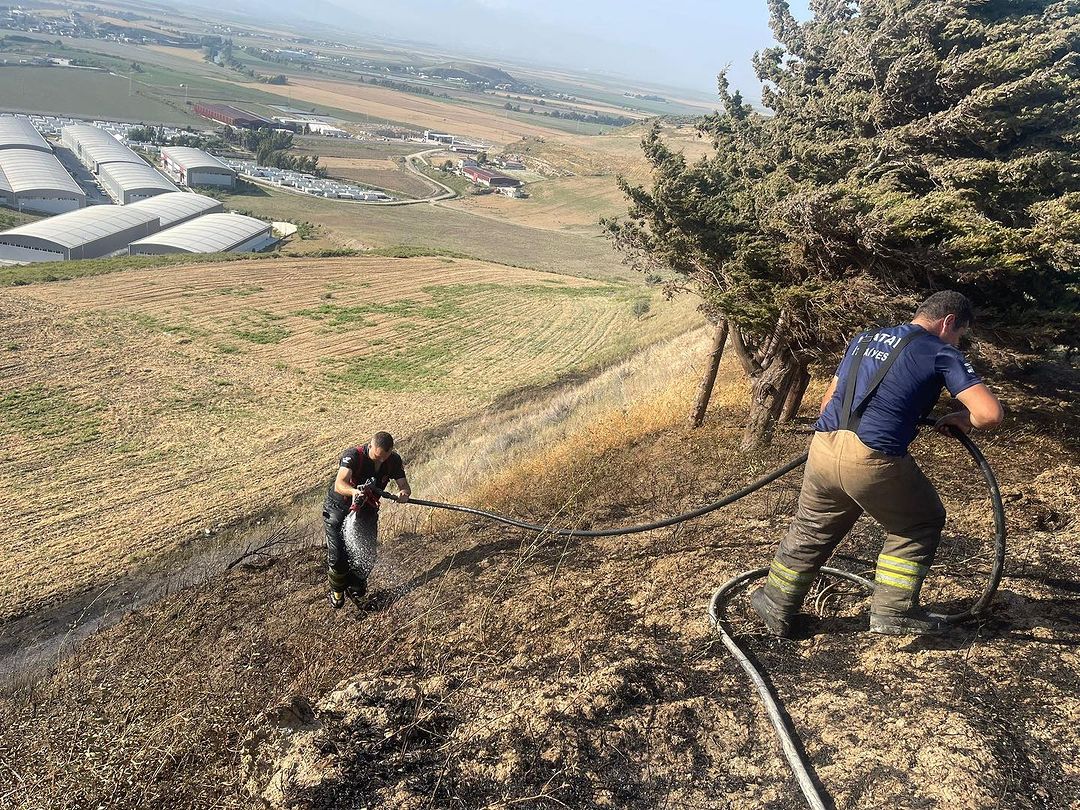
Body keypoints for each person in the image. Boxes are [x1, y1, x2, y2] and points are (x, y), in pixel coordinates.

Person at [751, 291, 1004, 637]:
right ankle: (894, 610)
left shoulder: (863, 338)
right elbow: (990, 414)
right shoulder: (941, 351)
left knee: (811, 528)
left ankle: (776, 603)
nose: (959, 341)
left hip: (823, 448)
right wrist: (963, 418)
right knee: (920, 521)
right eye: (960, 334)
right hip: (871, 458)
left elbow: (828, 402)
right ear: (947, 323)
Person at [323, 432, 410, 609]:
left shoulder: (393, 460)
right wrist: (354, 492)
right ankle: (337, 590)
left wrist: (404, 494)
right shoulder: (353, 456)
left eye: (383, 459)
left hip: (367, 511)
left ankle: (357, 591)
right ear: (370, 446)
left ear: (390, 452)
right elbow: (340, 483)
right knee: (339, 557)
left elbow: (404, 485)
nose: (379, 462)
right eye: (376, 458)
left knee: (367, 556)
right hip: (339, 508)